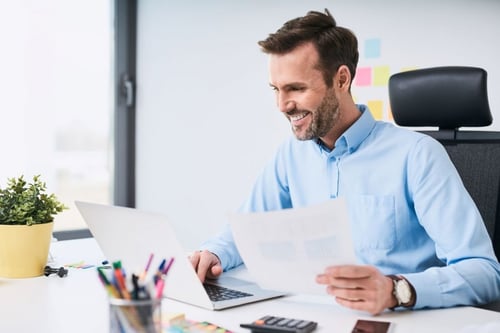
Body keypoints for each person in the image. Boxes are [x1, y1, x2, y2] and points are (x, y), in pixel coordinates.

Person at [189, 9, 500, 315]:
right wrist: (213, 252)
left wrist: (395, 290)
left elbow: (484, 271)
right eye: (276, 89)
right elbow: (247, 231)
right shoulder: (291, 155)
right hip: (314, 316)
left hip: (394, 322)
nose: (282, 105)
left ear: (341, 79)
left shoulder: (417, 155)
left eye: (296, 88)